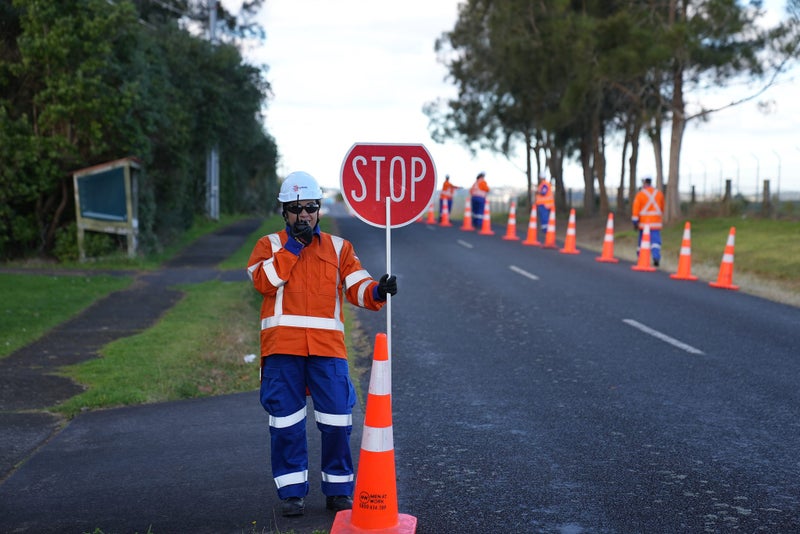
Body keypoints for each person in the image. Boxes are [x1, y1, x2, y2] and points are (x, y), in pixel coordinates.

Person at [247, 171, 398, 518]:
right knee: (286, 423)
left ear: (318, 209)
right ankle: (292, 494)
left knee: (337, 421)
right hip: (282, 348)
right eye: (296, 208)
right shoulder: (268, 246)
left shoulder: (339, 247)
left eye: (310, 207)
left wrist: (378, 290)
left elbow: (357, 286)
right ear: (285, 211)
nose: (304, 215)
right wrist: (293, 247)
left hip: (327, 349)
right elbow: (265, 283)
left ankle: (339, 490)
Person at [631, 176, 665, 266]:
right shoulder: (659, 194)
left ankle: (641, 258)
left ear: (644, 183)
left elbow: (636, 209)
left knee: (642, 241)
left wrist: (635, 222)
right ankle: (656, 257)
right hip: (655, 223)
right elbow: (662, 208)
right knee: (655, 242)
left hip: (644, 224)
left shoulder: (640, 194)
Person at [535, 173, 555, 240]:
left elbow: (543, 192)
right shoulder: (543, 184)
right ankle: (545, 230)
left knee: (544, 218)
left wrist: (537, 192)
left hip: (544, 204)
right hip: (543, 204)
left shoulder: (544, 184)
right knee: (544, 217)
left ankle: (546, 231)